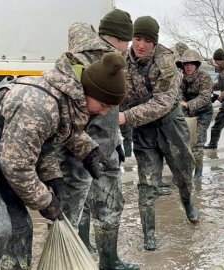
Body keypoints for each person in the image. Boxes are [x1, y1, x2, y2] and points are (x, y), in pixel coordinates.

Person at [0, 51, 126, 270]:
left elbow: (44, 143)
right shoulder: (39, 105)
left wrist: (56, 175)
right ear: (90, 91)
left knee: (20, 229)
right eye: (104, 105)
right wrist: (44, 201)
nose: (104, 113)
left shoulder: (67, 99)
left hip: (0, 154)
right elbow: (17, 167)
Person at [60, 9, 139, 270]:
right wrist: (111, 151)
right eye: (128, 41)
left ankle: (80, 255)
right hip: (96, 151)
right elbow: (103, 116)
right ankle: (109, 260)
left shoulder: (77, 54)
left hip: (72, 149)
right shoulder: (107, 59)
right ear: (121, 38)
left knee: (77, 205)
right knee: (109, 205)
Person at [119, 16, 199, 252]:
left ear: (154, 42)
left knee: (183, 173)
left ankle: (188, 204)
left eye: (146, 40)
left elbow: (162, 103)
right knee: (146, 183)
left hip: (170, 124)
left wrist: (126, 116)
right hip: (143, 130)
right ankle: (149, 233)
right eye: (136, 38)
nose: (140, 45)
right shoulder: (123, 60)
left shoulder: (166, 61)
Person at [179, 49, 213, 179]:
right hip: (187, 113)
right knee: (185, 141)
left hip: (203, 112)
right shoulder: (180, 77)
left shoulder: (204, 77)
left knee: (198, 143)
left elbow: (205, 97)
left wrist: (188, 104)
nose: (189, 67)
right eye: (186, 64)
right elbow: (179, 94)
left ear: (197, 65)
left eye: (192, 64)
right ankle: (186, 170)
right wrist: (182, 105)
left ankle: (198, 174)